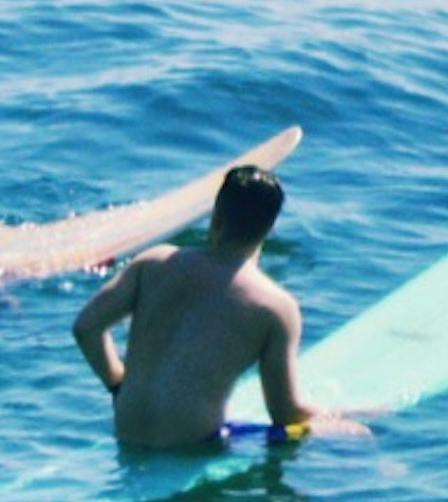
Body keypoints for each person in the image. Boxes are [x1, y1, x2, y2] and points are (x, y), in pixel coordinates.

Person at [72, 160, 322, 451]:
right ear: (269, 229)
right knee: (339, 435)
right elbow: (283, 412)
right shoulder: (275, 307)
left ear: (216, 216)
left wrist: (117, 382)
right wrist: (330, 418)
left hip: (126, 431)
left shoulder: (152, 263)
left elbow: (86, 327)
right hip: (192, 445)